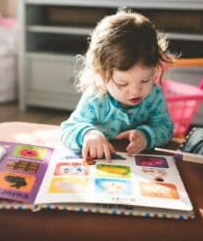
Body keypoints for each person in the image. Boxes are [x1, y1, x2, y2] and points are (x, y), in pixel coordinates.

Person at [61, 9, 175, 161]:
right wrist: (88, 134)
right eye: (122, 83)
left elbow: (166, 128)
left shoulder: (154, 95)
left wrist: (146, 136)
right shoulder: (96, 97)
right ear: (101, 74)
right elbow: (67, 130)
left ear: (155, 68)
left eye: (146, 80)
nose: (136, 91)